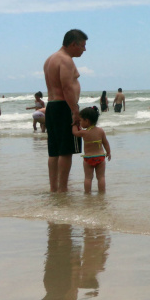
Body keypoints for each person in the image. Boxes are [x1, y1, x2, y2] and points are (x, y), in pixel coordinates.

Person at [43, 29, 87, 193]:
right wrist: (75, 111)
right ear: (73, 44)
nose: (84, 49)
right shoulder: (66, 60)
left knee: (54, 151)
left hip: (52, 106)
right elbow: (67, 87)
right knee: (66, 151)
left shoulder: (50, 59)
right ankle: (63, 189)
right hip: (64, 107)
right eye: (82, 46)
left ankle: (54, 188)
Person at [71, 106, 111, 193]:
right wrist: (108, 152)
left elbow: (75, 133)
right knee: (101, 177)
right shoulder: (100, 131)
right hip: (100, 157)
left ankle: (87, 193)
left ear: (87, 121)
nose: (80, 122)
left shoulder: (84, 132)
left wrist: (75, 124)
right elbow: (105, 143)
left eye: (80, 120)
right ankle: (102, 193)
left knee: (88, 178)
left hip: (88, 158)